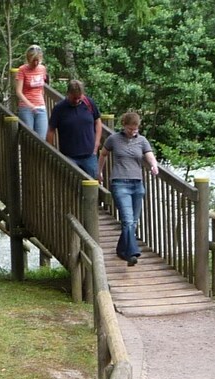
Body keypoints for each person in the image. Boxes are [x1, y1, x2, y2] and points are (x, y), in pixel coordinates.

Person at [97, 111, 159, 266]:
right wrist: (99, 172)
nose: (133, 132)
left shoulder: (142, 141)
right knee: (127, 219)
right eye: (130, 129)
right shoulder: (113, 139)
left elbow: (149, 154)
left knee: (133, 222)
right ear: (124, 125)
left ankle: (121, 249)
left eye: (136, 129)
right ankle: (132, 253)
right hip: (120, 183)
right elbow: (103, 154)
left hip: (137, 184)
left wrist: (154, 165)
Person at [46, 79, 102, 178]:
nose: (76, 100)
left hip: (90, 156)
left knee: (93, 187)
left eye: (79, 98)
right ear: (68, 94)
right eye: (74, 98)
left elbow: (98, 122)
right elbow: (51, 130)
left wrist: (96, 144)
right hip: (69, 157)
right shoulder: (59, 108)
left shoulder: (89, 103)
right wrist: (52, 151)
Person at [15, 44, 48, 138]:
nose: (36, 62)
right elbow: (18, 91)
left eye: (38, 60)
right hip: (26, 108)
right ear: (29, 58)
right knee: (29, 137)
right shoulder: (22, 70)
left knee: (41, 138)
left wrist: (41, 101)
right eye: (34, 60)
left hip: (40, 106)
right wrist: (30, 104)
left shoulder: (42, 69)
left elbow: (42, 87)